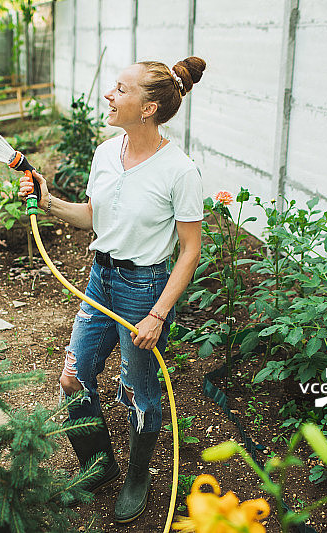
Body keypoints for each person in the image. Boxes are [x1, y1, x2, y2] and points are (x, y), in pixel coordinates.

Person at [19, 56, 206, 523]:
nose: (109, 94)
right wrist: (48, 201)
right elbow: (93, 216)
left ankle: (138, 475)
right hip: (101, 279)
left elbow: (189, 251)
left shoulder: (180, 171)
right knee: (71, 378)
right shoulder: (106, 153)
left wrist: (158, 313)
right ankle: (99, 466)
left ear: (148, 108)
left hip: (145, 289)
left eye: (121, 89)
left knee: (139, 391)